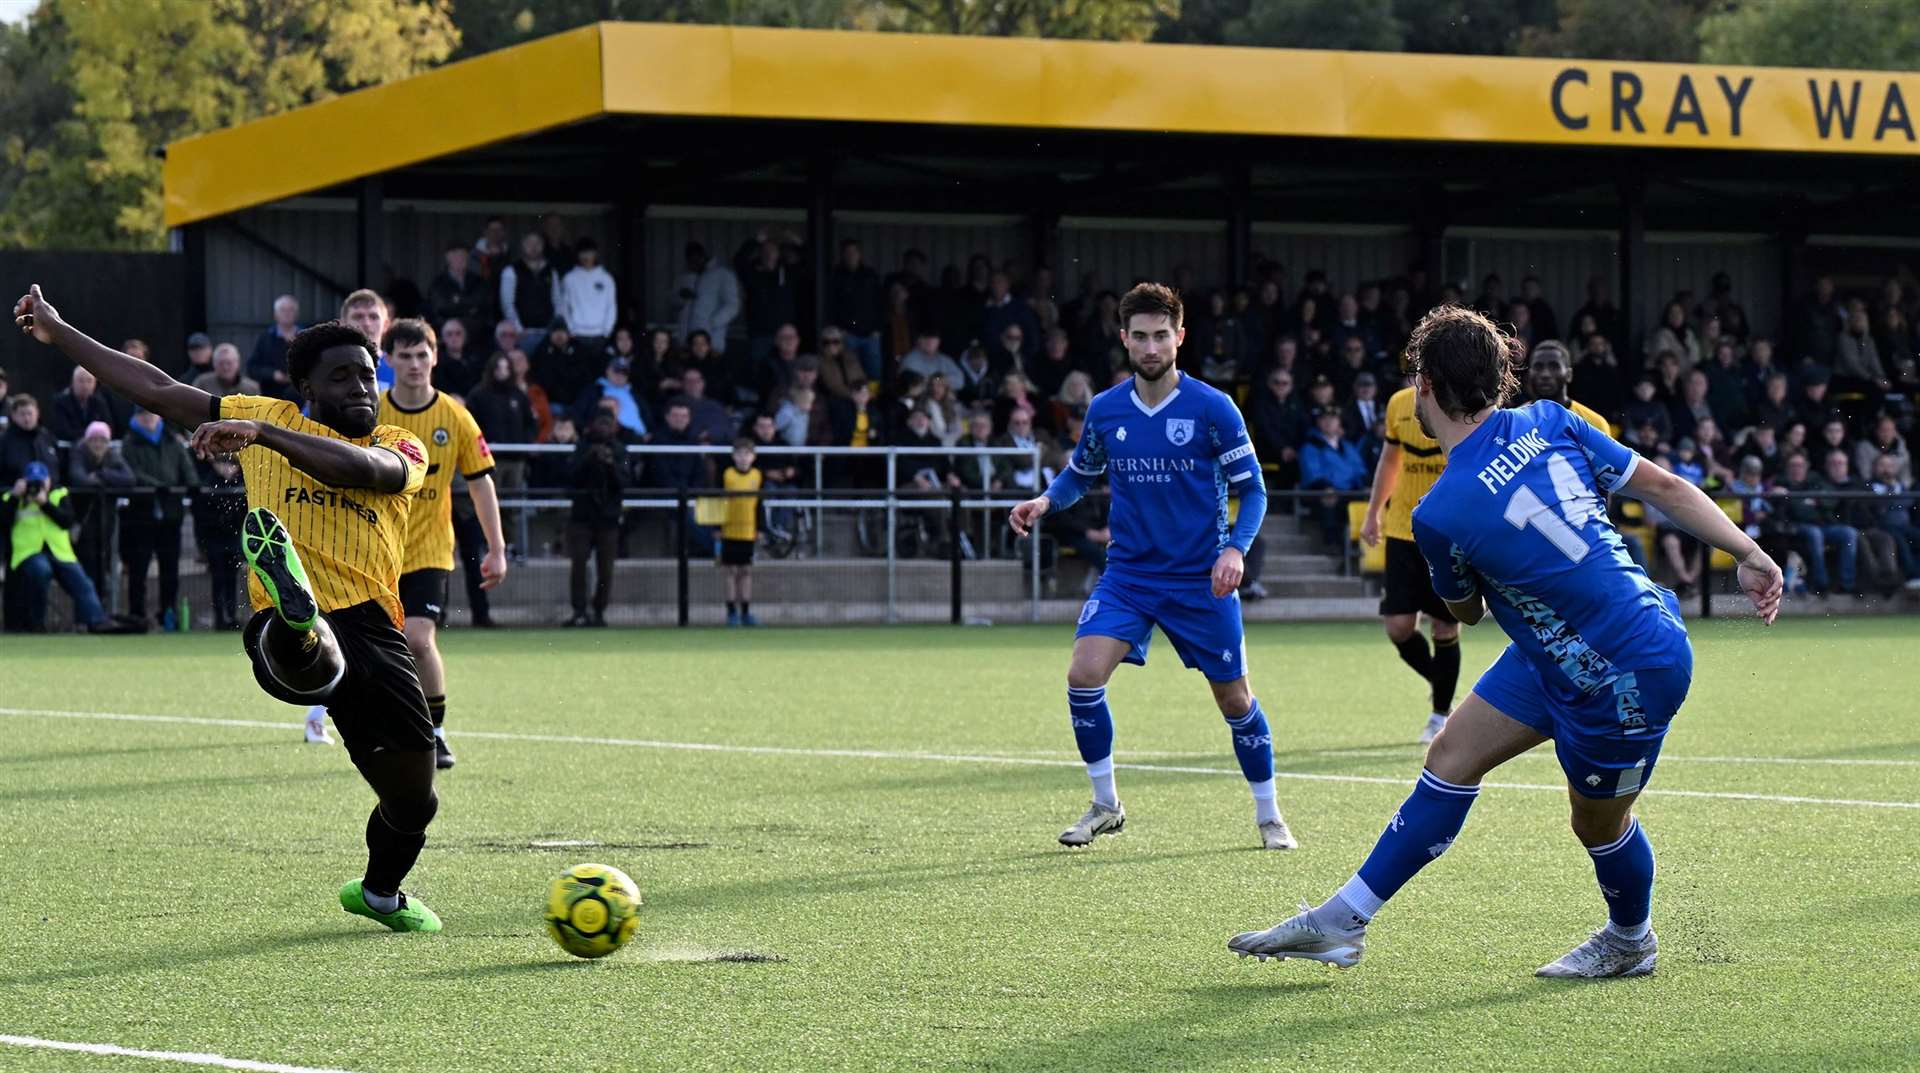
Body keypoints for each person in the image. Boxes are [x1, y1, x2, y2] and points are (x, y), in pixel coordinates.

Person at [1228, 305, 1783, 978]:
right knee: (1451, 755)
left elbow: (1465, 611)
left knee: (1597, 825)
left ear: (1424, 387)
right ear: (1504, 379)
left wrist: (1482, 573)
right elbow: (1661, 485)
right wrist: (1748, 550)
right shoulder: (1552, 419)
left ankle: (1630, 940)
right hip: (1569, 643)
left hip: (1627, 670)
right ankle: (1344, 921)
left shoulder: (1439, 513)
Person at [15, 285, 445, 933]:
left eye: (368, 373)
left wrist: (262, 433)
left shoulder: (399, 443)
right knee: (308, 647)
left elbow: (367, 472)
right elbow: (155, 388)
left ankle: (380, 891)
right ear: (307, 388)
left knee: (415, 799)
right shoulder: (258, 413)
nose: (362, 385)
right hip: (283, 621)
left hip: (375, 628)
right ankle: (298, 621)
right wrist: (60, 329)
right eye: (342, 376)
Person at [1006, 283, 1291, 853]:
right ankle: (1105, 805)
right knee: (1083, 675)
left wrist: (1234, 549)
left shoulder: (1213, 408)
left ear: (1180, 337)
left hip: (1199, 579)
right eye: (1141, 336)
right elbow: (1080, 473)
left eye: (1162, 335)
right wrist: (1044, 501)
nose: (1152, 346)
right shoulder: (1107, 409)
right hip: (1130, 576)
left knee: (1235, 700)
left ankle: (1269, 814)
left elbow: (1253, 490)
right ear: (1124, 340)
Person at [298, 319, 506, 762]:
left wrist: (497, 548)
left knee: (417, 638)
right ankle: (382, 725)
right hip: (373, 552)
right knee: (371, 648)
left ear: (435, 356)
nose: (415, 363)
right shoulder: (372, 411)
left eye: (422, 354)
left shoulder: (454, 416)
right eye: (405, 356)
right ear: (388, 361)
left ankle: (437, 731)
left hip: (429, 550)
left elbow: (480, 481)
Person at [120, 407, 198, 630]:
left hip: (170, 515)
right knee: (139, 569)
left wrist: (192, 485)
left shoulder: (171, 440)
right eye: (144, 416)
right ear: (136, 418)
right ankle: (138, 616)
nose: (149, 419)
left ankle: (168, 614)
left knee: (170, 570)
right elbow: (131, 472)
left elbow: (186, 466)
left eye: (152, 415)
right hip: (141, 515)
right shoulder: (129, 442)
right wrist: (156, 486)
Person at [565, 412, 632, 628]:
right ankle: (579, 611)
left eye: (608, 424)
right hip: (582, 516)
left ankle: (599, 611)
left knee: (606, 568)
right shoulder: (582, 447)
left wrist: (610, 464)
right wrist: (588, 459)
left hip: (608, 518)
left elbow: (624, 483)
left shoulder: (620, 450)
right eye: (600, 423)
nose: (604, 428)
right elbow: (570, 477)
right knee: (579, 563)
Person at [720, 437, 763, 627]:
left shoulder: (757, 475)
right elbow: (718, 502)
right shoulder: (727, 475)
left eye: (747, 454)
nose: (743, 458)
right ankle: (731, 613)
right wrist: (716, 526)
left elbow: (759, 504)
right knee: (731, 571)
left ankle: (746, 612)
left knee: (746, 571)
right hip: (729, 529)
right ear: (733, 456)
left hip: (748, 530)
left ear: (753, 457)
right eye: (739, 454)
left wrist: (760, 528)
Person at [675, 241, 741, 355]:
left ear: (703, 256)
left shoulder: (722, 275)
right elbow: (673, 301)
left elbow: (733, 305)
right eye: (689, 260)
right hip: (685, 342)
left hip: (711, 342)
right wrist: (681, 297)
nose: (692, 264)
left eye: (695, 259)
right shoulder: (685, 276)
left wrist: (711, 323)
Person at [249, 297, 302, 401]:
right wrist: (273, 374)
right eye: (283, 310)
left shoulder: (305, 336)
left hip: (300, 397)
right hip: (271, 398)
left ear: (296, 314)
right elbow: (252, 368)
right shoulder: (265, 338)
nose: (287, 313)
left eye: (290, 310)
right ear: (275, 314)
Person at [192, 343, 260, 399]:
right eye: (221, 363)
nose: (225, 367)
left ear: (237, 363)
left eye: (229, 363)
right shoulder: (202, 384)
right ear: (214, 364)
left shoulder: (252, 389)